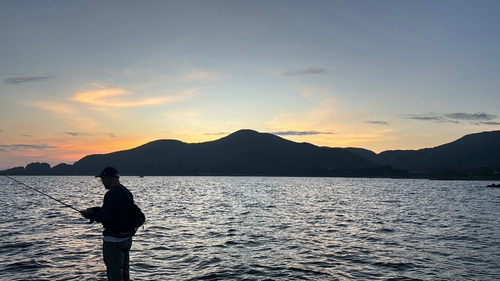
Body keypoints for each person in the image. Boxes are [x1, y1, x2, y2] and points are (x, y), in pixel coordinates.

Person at [80, 167, 135, 281]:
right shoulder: (126, 192)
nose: (102, 182)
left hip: (113, 241)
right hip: (126, 239)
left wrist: (89, 215)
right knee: (124, 272)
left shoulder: (111, 194)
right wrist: (97, 210)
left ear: (107, 178)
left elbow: (105, 217)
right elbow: (118, 212)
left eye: (102, 179)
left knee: (114, 273)